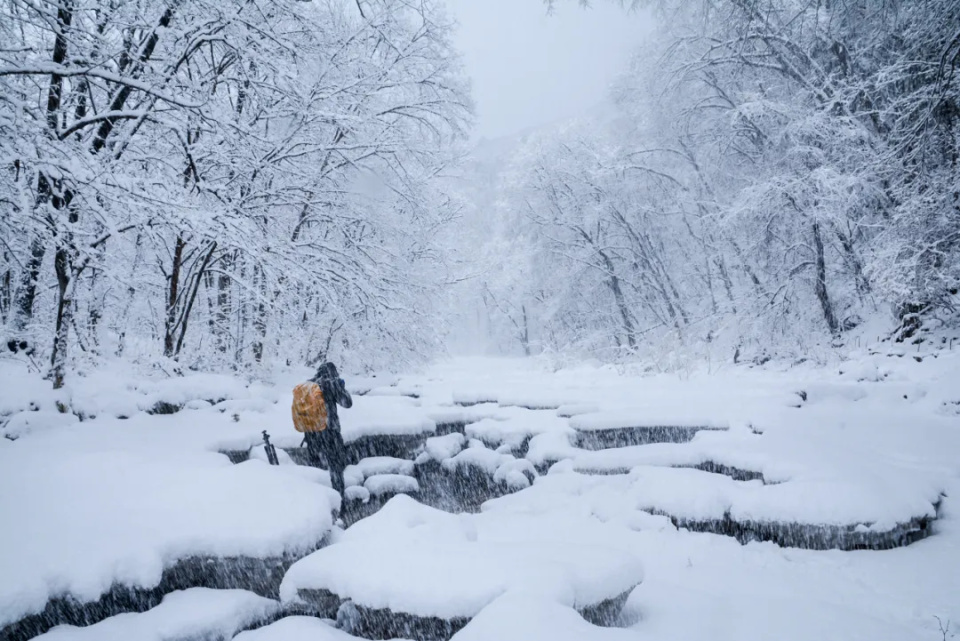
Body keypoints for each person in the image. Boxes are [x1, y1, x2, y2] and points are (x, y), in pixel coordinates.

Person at [303, 361, 353, 498]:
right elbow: (347, 403)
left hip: (311, 435)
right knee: (336, 469)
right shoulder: (331, 385)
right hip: (330, 434)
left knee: (315, 470)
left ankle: (316, 500)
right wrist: (340, 387)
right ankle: (339, 499)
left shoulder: (308, 386)